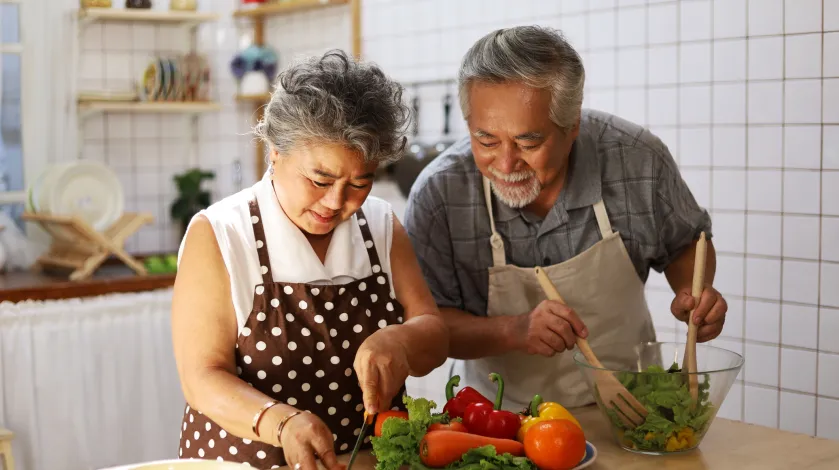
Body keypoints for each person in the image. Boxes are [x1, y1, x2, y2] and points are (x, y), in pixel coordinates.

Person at [403, 26, 727, 412]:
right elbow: (429, 326)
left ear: (572, 125)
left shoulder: (636, 159)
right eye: (486, 140)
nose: (505, 164)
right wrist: (514, 330)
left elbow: (686, 243)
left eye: (528, 142)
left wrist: (694, 294)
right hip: (499, 420)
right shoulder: (439, 194)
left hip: (631, 411)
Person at [171, 49, 449, 470]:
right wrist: (280, 422)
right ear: (275, 151)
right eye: (320, 179)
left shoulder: (380, 225)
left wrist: (402, 341)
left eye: (360, 183)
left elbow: (435, 334)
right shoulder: (221, 233)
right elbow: (202, 377)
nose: (337, 202)